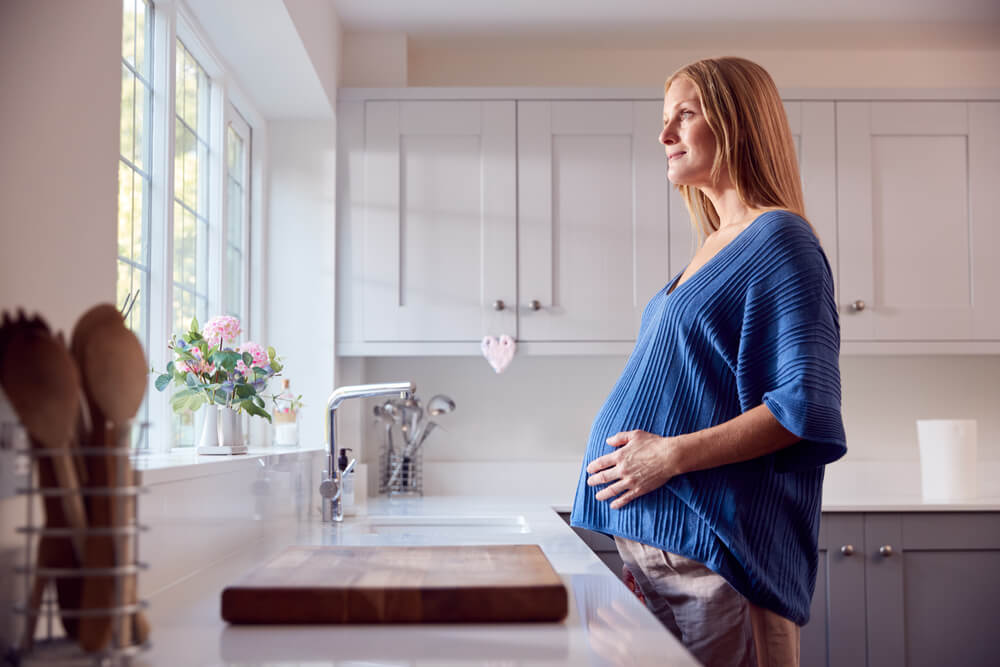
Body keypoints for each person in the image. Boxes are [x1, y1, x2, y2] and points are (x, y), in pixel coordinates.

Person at [570, 56, 847, 667]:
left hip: (716, 553)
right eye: (664, 120)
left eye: (684, 115)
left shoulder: (780, 239)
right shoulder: (711, 248)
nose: (664, 135)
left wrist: (668, 456)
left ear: (739, 123)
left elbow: (803, 407)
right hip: (663, 547)